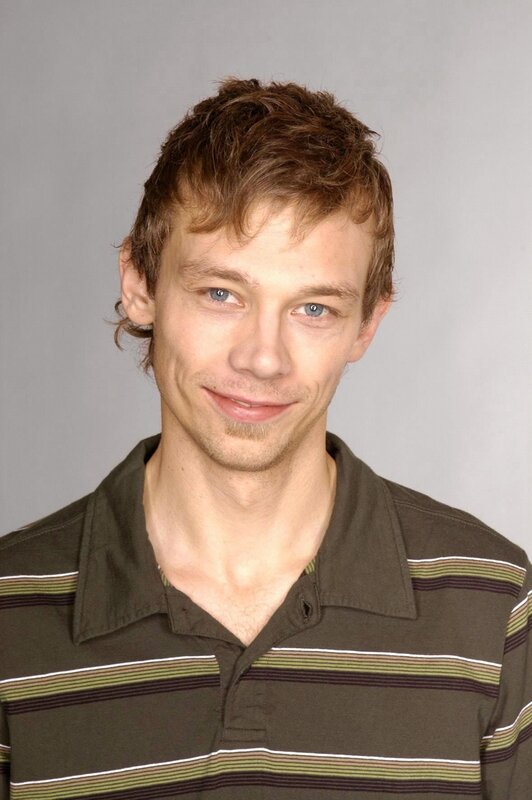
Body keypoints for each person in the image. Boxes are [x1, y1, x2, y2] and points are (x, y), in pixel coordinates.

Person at [0, 78, 530, 800]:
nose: (263, 358)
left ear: (367, 325)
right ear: (140, 285)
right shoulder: (11, 614)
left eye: (313, 308)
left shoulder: (492, 604)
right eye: (222, 294)